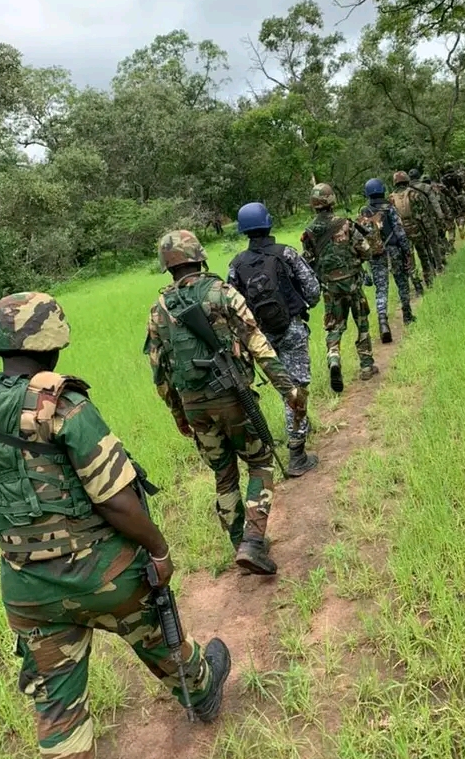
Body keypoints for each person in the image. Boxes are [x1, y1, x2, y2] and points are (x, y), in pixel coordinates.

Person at [0, 292, 231, 759]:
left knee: (57, 711)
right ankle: (203, 692)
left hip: (28, 591)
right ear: (52, 340)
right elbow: (115, 499)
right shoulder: (64, 405)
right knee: (165, 643)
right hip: (105, 575)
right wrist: (159, 550)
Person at [145, 230, 306, 577]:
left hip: (193, 405)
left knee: (223, 474)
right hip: (232, 398)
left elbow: (159, 374)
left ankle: (240, 546)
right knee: (261, 462)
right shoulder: (222, 293)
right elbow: (257, 344)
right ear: (199, 257)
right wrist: (288, 390)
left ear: (167, 267)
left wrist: (178, 413)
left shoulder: (158, 310)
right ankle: (252, 540)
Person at [228, 202, 320, 478]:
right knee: (297, 387)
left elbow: (231, 307)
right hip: (291, 328)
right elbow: (313, 292)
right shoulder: (286, 254)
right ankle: (297, 454)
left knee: (284, 388)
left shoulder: (236, 264)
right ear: (269, 223)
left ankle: (298, 425)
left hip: (259, 337)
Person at [301, 183, 377, 393]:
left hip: (330, 289)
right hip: (353, 283)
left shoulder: (309, 232)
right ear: (332, 201)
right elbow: (366, 251)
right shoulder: (346, 224)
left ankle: (334, 358)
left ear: (314, 205)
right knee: (361, 322)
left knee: (334, 327)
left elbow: (307, 262)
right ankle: (366, 365)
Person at [359, 177, 417, 343]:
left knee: (381, 289)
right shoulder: (389, 208)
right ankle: (407, 315)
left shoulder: (364, 211)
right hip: (394, 251)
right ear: (382, 190)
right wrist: (407, 251)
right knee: (402, 282)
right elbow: (400, 232)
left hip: (376, 255)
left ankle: (383, 322)